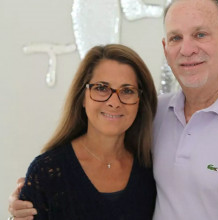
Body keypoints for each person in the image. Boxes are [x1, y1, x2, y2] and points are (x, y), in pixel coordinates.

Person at [9, 0, 218, 219]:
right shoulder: (154, 115)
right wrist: (27, 201)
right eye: (175, 38)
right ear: (165, 48)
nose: (187, 48)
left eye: (200, 34)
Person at [8, 44, 158, 219]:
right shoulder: (47, 172)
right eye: (101, 88)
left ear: (140, 101)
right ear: (82, 97)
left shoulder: (151, 170)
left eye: (127, 91)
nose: (114, 102)